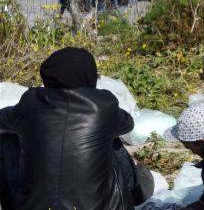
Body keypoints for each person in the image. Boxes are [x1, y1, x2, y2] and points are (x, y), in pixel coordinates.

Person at [0, 47, 152, 210]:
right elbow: (128, 123)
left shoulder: (30, 103)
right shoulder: (103, 105)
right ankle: (137, 191)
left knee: (7, 137)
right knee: (111, 140)